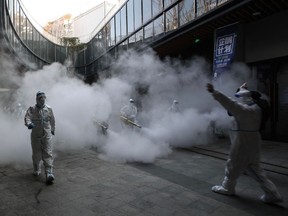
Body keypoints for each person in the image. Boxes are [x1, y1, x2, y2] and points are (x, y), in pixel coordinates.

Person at [206, 82, 283, 203]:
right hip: (254, 141)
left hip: (242, 142)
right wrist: (242, 88)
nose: (237, 100)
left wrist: (214, 92)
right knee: (254, 168)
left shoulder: (243, 110)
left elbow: (230, 103)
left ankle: (228, 188)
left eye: (239, 97)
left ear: (242, 99)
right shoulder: (256, 108)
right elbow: (235, 102)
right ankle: (272, 193)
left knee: (232, 165)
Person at [24, 91, 56, 184]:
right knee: (36, 152)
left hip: (47, 133)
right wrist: (29, 124)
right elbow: (27, 117)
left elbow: (52, 119)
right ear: (37, 99)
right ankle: (36, 167)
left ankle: (49, 173)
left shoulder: (49, 108)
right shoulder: (32, 109)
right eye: (40, 98)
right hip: (36, 133)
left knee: (48, 152)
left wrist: (53, 129)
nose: (42, 100)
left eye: (43, 98)